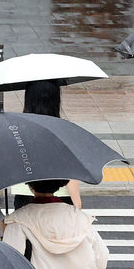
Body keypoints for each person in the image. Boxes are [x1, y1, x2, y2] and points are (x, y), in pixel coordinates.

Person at [8, 80, 83, 209]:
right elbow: (71, 168)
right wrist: (77, 201)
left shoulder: (18, 129)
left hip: (24, 196)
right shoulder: (62, 130)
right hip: (59, 196)